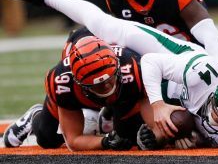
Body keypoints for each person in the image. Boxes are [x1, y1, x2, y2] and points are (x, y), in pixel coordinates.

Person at [0, 0, 218, 148]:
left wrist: (191, 138)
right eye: (216, 109)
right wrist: (159, 105)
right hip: (170, 59)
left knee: (156, 130)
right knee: (105, 25)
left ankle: (103, 119)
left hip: (171, 81)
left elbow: (198, 129)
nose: (213, 115)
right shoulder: (198, 75)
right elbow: (150, 63)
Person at [3, 26, 145, 151]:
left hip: (122, 82)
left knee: (129, 135)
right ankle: (35, 115)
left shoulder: (133, 66)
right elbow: (73, 141)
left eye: (110, 79)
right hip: (82, 70)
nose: (106, 86)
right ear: (78, 82)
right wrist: (105, 142)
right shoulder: (63, 82)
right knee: (47, 137)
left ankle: (106, 116)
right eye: (98, 85)